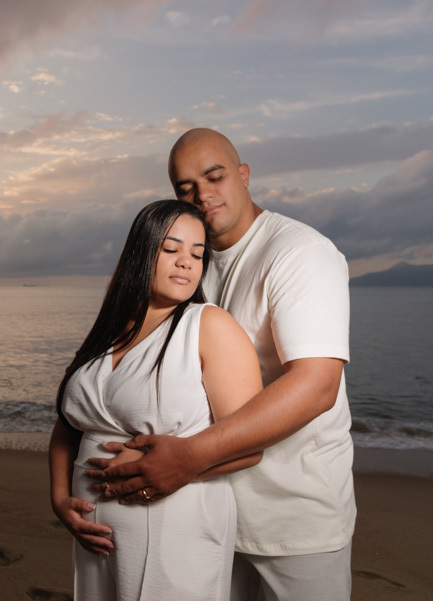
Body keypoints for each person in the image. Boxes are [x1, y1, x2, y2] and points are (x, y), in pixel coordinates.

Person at [84, 129, 355, 601]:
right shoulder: (191, 262)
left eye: (214, 176)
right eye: (185, 188)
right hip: (204, 508)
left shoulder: (300, 253)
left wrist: (188, 458)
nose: (201, 195)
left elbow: (316, 386)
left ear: (244, 175)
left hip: (293, 517)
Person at [49, 199, 264, 600]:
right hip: (93, 533)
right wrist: (59, 497)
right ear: (141, 252)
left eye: (198, 254)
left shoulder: (210, 325)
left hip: (176, 526)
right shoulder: (110, 329)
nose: (186, 262)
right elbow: (69, 424)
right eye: (171, 249)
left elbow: (251, 446)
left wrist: (167, 468)